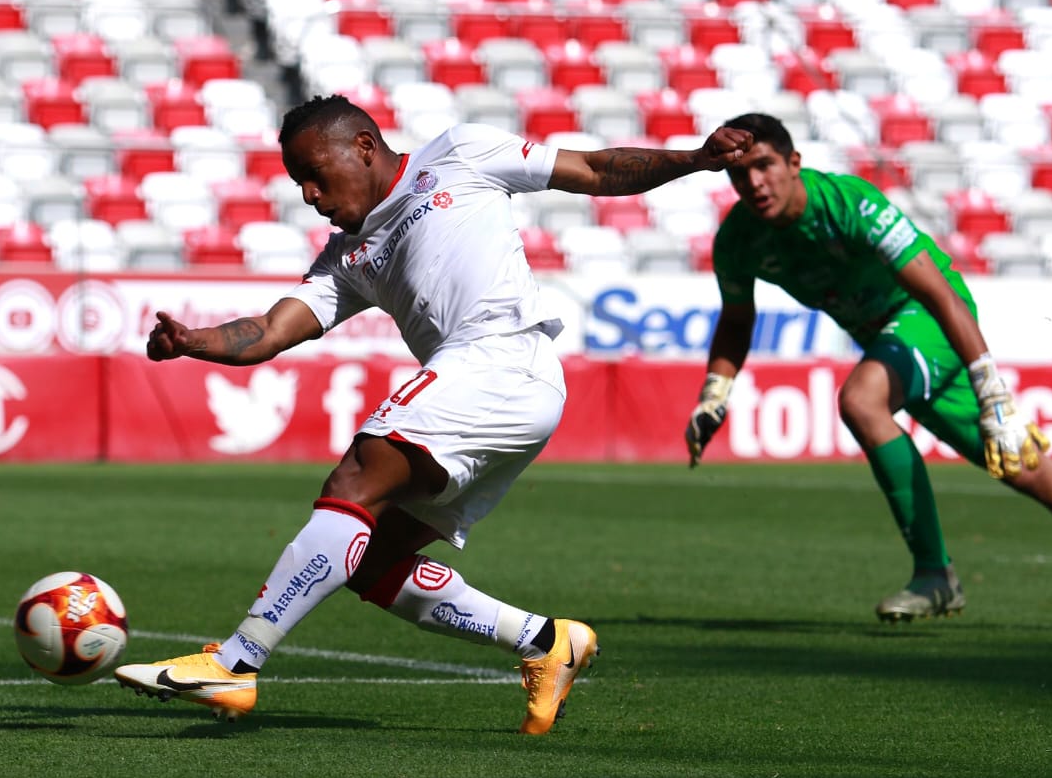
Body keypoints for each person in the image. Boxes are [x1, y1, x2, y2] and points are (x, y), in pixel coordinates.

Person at [114, 94, 753, 731]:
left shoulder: (460, 152)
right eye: (297, 182)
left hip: (502, 357)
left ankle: (237, 661)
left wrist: (696, 158)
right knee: (370, 564)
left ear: (363, 146)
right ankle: (545, 642)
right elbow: (272, 329)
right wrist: (196, 341)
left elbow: (594, 170)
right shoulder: (348, 256)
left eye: (315, 173)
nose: (309, 194)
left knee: (355, 481)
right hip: (496, 388)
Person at [684, 111, 1052, 623]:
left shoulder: (851, 203)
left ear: (794, 162)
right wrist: (715, 394)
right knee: (1030, 472)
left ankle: (933, 574)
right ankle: (936, 576)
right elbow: (738, 320)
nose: (754, 182)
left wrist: (995, 396)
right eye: (740, 174)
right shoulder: (738, 240)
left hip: (932, 320)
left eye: (764, 165)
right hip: (889, 343)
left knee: (860, 399)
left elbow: (939, 292)